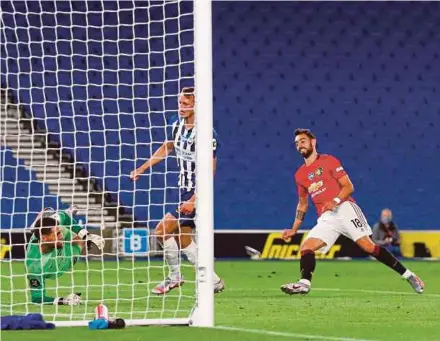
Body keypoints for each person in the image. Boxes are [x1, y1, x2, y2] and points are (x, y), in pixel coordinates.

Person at [280, 128, 424, 295]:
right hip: (327, 217)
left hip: (345, 207)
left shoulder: (329, 160)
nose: (299, 145)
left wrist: (334, 201)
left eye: (303, 141)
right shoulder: (300, 175)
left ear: (313, 142)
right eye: (297, 143)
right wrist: (294, 229)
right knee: (307, 246)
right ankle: (304, 283)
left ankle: (409, 276)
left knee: (368, 247)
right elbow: (302, 204)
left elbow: (349, 186)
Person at [130, 87, 224, 295]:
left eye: (186, 103)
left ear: (197, 105)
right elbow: (167, 148)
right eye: (180, 103)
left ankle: (174, 277)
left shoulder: (207, 133)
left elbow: (211, 169)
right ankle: (214, 281)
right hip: (183, 188)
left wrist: (195, 199)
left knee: (161, 231)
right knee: (183, 239)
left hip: (196, 192)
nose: (181, 107)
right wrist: (142, 168)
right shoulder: (176, 124)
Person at [26, 207, 105, 304]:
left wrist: (86, 235)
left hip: (62, 252)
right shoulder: (34, 265)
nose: (61, 236)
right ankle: (41, 222)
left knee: (79, 240)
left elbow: (64, 218)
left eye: (59, 233)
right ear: (44, 238)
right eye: (57, 234)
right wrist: (64, 301)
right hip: (51, 268)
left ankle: (47, 220)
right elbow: (37, 299)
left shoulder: (57, 229)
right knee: (75, 240)